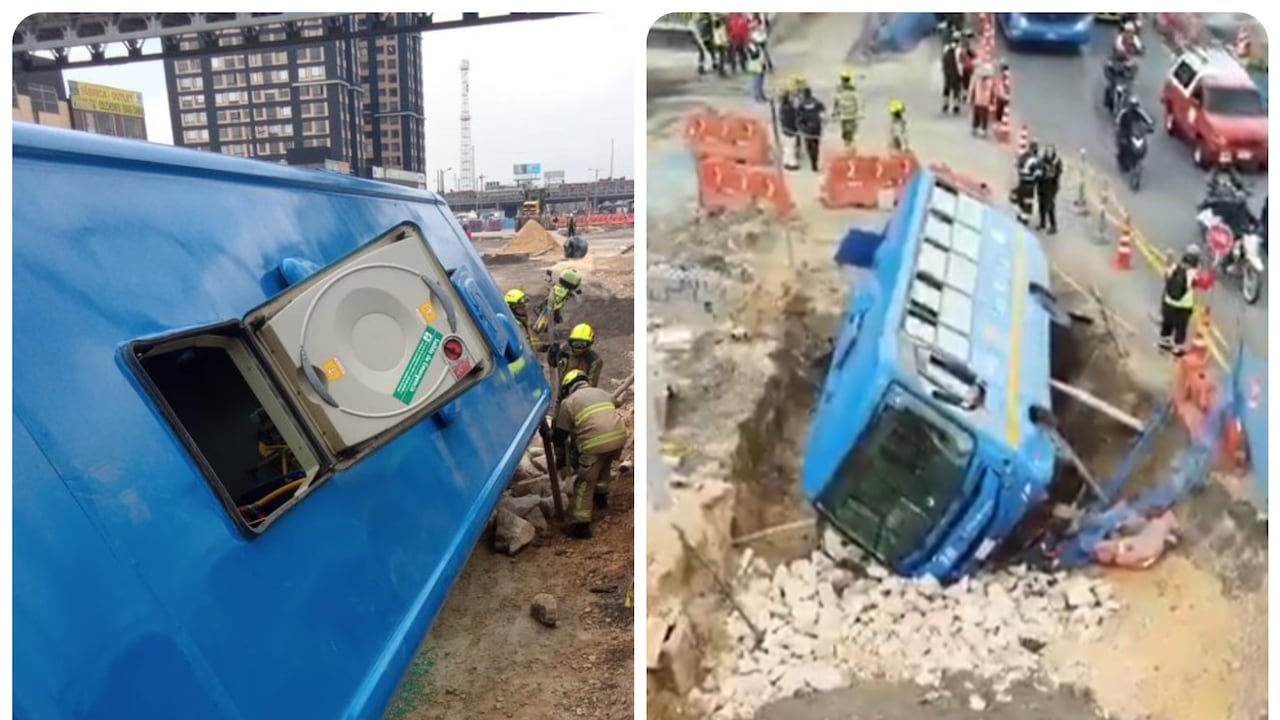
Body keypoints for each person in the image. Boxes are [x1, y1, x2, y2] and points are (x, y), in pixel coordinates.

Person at [552, 369, 629, 538]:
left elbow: (560, 435)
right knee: (604, 467)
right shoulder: (601, 392)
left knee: (584, 483)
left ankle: (581, 526)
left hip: (595, 444)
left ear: (568, 387)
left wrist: (552, 437)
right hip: (619, 438)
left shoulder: (568, 402)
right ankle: (601, 499)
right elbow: (616, 403)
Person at [1159, 245, 1201, 355]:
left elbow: (1165, 277)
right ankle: (1177, 348)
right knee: (1181, 329)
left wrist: (1168, 261)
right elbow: (1201, 284)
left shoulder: (1174, 266)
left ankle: (1164, 343)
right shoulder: (1193, 273)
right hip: (1183, 307)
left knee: (1167, 324)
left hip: (1168, 303)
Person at [556, 323, 604, 388]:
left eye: (582, 344)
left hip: (581, 393)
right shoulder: (565, 350)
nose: (578, 347)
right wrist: (553, 356)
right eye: (575, 343)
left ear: (590, 343)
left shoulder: (594, 361)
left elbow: (591, 385)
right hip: (563, 390)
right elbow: (555, 364)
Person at [1115, 96, 1153, 172]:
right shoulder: (1124, 112)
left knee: (1144, 145)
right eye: (1132, 106)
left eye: (1135, 106)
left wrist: (1149, 127)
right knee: (1123, 144)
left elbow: (1148, 120)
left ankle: (1137, 158)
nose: (1134, 108)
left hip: (1135, 132)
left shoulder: (1140, 112)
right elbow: (1118, 120)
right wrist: (1119, 127)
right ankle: (1122, 160)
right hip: (1125, 131)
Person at [505, 288, 547, 353]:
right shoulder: (515, 326)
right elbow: (523, 349)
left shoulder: (524, 323)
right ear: (512, 309)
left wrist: (544, 348)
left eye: (524, 306)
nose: (525, 309)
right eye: (521, 307)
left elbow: (532, 342)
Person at [796, 86, 826, 172]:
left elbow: (798, 117)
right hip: (816, 127)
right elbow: (823, 110)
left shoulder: (801, 105)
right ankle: (815, 162)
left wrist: (800, 127)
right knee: (816, 145)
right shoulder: (816, 102)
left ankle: (811, 158)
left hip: (807, 128)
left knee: (809, 145)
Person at [1012, 140, 1041, 225]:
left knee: (1025, 199)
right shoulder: (1035, 159)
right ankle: (1023, 214)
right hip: (1027, 182)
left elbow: (1018, 164)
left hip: (1026, 182)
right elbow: (1038, 174)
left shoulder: (1030, 158)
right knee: (1024, 199)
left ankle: (1024, 216)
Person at [1036, 145, 1064, 234]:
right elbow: (1038, 170)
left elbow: (1058, 173)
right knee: (1041, 204)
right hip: (1042, 185)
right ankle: (1042, 222)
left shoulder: (1057, 162)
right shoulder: (1042, 160)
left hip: (1051, 187)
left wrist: (1051, 174)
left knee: (1050, 205)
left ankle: (1053, 226)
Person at [833, 69, 861, 152]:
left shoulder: (848, 89)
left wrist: (835, 112)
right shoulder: (846, 89)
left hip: (848, 115)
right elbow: (836, 101)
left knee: (848, 133)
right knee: (848, 133)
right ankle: (849, 148)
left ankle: (850, 148)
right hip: (848, 115)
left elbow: (836, 101)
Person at [968, 64, 996, 137]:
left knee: (980, 115)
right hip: (984, 102)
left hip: (980, 101)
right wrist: (992, 102)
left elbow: (973, 90)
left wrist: (970, 99)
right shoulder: (989, 81)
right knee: (982, 116)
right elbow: (992, 93)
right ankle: (981, 128)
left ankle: (977, 128)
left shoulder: (977, 79)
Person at [941, 31, 964, 114]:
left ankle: (945, 104)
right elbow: (960, 63)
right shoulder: (959, 50)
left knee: (946, 88)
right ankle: (956, 106)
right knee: (956, 90)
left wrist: (944, 70)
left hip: (947, 72)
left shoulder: (946, 48)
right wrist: (961, 74)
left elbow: (943, 59)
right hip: (955, 72)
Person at [778, 84, 800, 170]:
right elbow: (795, 118)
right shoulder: (790, 109)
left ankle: (786, 161)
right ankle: (791, 163)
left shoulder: (783, 108)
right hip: (791, 130)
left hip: (785, 129)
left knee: (787, 146)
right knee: (791, 147)